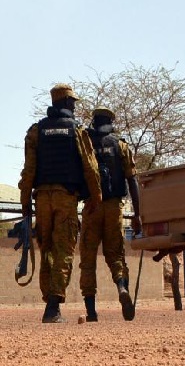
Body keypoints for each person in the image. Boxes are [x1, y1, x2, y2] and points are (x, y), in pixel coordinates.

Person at [18, 83, 102, 323]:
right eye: (73, 103)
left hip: (42, 198)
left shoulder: (36, 131)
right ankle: (53, 306)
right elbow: (91, 168)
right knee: (63, 249)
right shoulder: (77, 130)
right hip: (66, 198)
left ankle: (50, 302)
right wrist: (96, 199)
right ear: (66, 103)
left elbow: (28, 171)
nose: (74, 107)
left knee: (46, 251)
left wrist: (26, 204)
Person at [79, 106, 142, 322]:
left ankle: (91, 311)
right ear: (111, 122)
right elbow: (132, 179)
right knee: (115, 255)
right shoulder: (120, 145)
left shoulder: (85, 144)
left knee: (88, 259)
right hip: (115, 207)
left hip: (91, 207)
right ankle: (121, 288)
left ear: (94, 121)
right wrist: (138, 214)